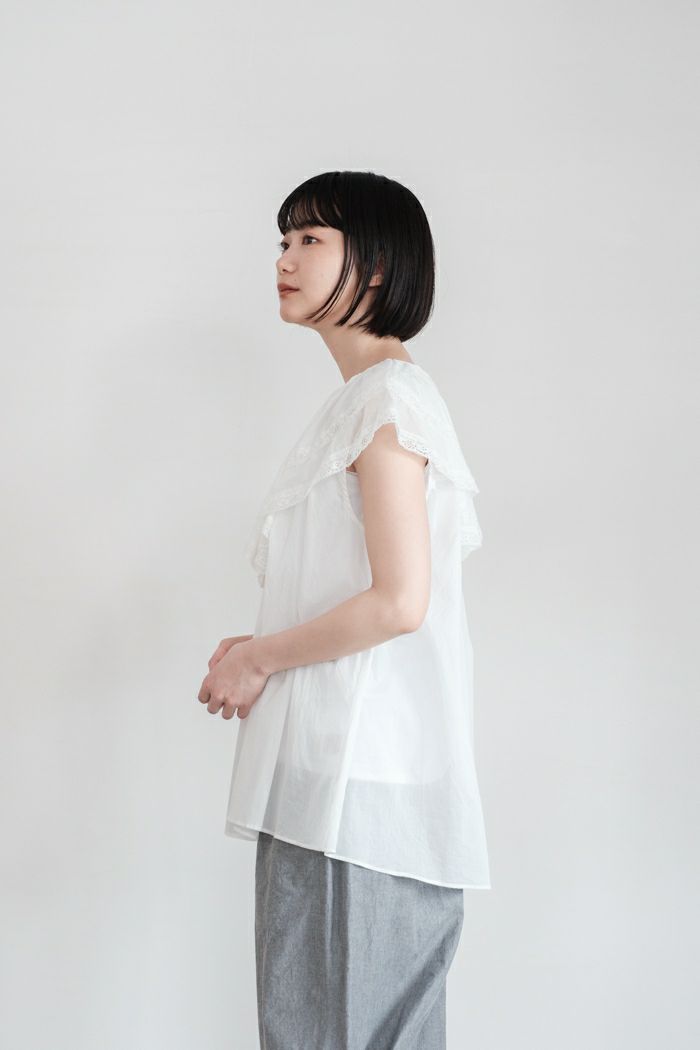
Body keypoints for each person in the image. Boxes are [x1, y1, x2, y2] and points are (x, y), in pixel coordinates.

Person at [197, 170, 491, 1050]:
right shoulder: (367, 400)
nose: (284, 260)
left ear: (377, 265)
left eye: (310, 240)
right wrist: (265, 641)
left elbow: (400, 602)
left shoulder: (389, 402)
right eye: (284, 241)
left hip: (362, 788)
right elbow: (368, 590)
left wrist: (261, 658)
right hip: (342, 778)